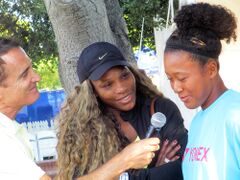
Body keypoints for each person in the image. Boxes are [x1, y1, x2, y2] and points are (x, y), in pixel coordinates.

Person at [56, 41, 188, 180]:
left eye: (124, 76)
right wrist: (157, 170)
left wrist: (119, 176)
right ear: (92, 91)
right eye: (107, 84)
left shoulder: (161, 109)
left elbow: (182, 168)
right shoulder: (82, 130)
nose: (122, 88)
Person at [163, 3, 240, 180]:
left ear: (211, 69)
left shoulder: (236, 115)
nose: (176, 87)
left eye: (182, 78)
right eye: (170, 79)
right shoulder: (198, 121)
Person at [0, 38, 51, 180]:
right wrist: (119, 162)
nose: (37, 77)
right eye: (24, 74)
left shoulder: (10, 128)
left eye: (31, 68)